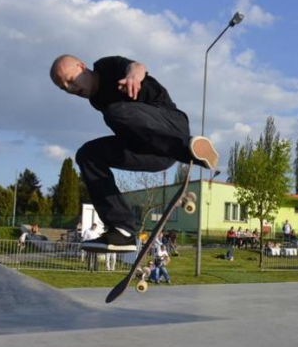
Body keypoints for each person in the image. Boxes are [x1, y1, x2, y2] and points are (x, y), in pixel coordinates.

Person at [50, 54, 218, 253]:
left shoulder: (106, 67)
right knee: (88, 155)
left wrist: (133, 76)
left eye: (70, 80)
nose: (71, 89)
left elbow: (137, 66)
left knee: (116, 112)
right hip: (155, 152)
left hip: (171, 126)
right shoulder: (96, 100)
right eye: (64, 88)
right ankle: (122, 231)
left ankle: (189, 150)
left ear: (81, 66)